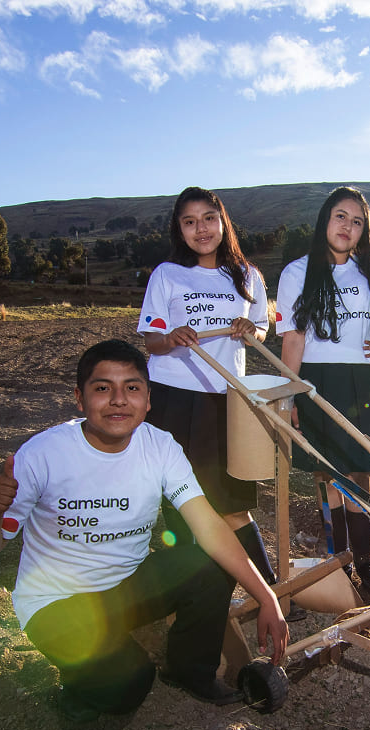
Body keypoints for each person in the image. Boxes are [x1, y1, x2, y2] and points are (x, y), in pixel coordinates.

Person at [0, 339, 288, 727]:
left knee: (208, 564)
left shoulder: (160, 446)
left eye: (132, 388)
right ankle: (77, 684)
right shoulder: (42, 456)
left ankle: (190, 671)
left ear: (148, 399)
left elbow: (210, 527)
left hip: (127, 586)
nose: (119, 400)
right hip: (58, 604)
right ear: (79, 398)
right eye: (103, 388)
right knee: (128, 685)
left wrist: (265, 596)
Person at [276, 186, 370, 600]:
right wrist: (288, 397)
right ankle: (338, 559)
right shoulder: (297, 272)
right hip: (315, 381)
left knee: (359, 474)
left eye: (357, 221)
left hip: (362, 382)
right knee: (327, 474)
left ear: (365, 231)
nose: (348, 226)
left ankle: (365, 561)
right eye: (341, 216)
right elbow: (293, 340)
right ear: (325, 219)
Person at [138, 187, 279, 589]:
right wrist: (173, 336)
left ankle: (264, 589)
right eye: (189, 221)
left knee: (232, 502)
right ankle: (198, 591)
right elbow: (152, 341)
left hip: (225, 398)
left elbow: (262, 330)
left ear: (222, 222)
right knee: (182, 504)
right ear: (179, 229)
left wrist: (252, 329)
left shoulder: (247, 275)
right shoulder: (166, 275)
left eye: (208, 218)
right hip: (172, 398)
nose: (200, 229)